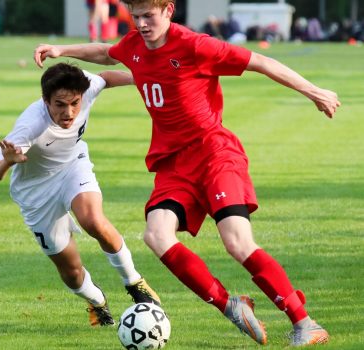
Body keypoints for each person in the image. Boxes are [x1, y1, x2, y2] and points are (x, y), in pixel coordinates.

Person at [34, 0, 339, 346]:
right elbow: (106, 51)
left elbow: (261, 61)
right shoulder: (135, 44)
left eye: (148, 16)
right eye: (135, 17)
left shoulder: (195, 45)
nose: (141, 24)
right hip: (174, 165)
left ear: (168, 10)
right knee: (156, 235)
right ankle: (231, 305)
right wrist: (61, 49)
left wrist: (315, 92)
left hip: (214, 156)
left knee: (237, 242)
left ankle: (305, 323)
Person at [0, 62, 161, 327]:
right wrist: (8, 161)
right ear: (46, 101)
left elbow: (106, 77)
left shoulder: (84, 88)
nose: (69, 112)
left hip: (72, 167)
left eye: (75, 104)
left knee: (93, 221)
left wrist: (141, 79)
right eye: (60, 105)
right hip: (36, 192)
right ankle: (97, 300)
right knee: (71, 270)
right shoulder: (30, 125)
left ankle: (135, 283)